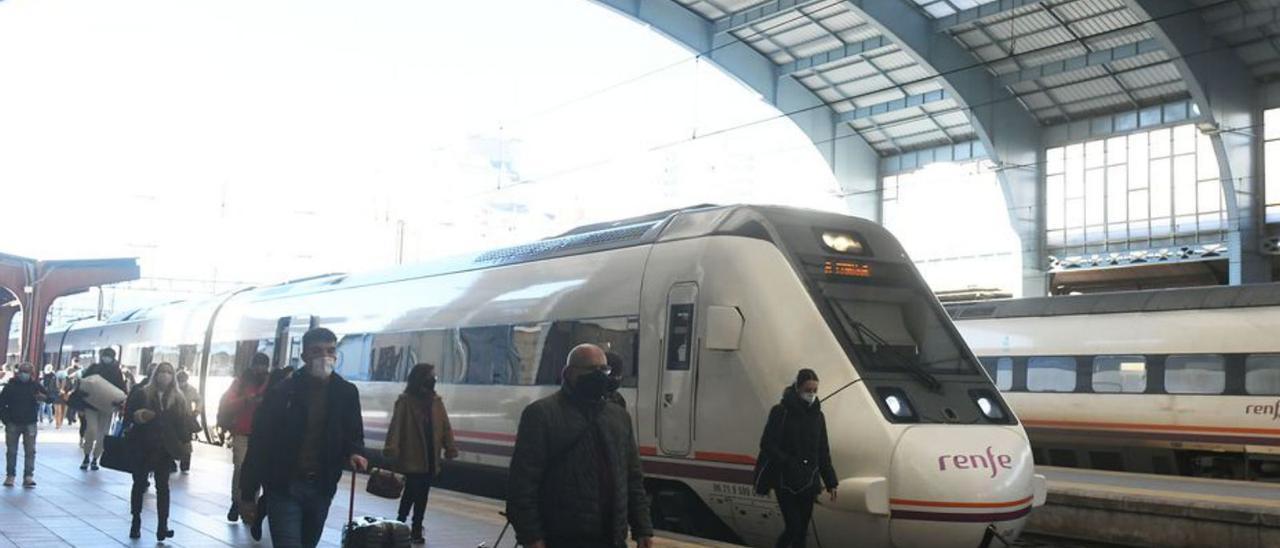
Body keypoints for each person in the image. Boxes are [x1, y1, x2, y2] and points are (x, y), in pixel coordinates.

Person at [507, 344, 653, 548]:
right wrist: (531, 537)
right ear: (568, 373)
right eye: (591, 370)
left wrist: (642, 528)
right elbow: (522, 484)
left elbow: (632, 478)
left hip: (612, 538)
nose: (600, 376)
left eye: (604, 370)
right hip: (561, 538)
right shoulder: (541, 414)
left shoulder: (618, 417)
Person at [240, 328, 368, 548]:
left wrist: (356, 452)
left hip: (322, 487)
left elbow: (354, 432)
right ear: (304, 356)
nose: (324, 357)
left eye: (330, 350)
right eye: (317, 351)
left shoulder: (346, 393)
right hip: (284, 486)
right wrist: (248, 492)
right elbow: (260, 443)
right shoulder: (282, 391)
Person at [757, 369, 838, 548]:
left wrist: (831, 481)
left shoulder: (818, 416)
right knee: (793, 527)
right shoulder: (781, 412)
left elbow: (822, 450)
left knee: (802, 531)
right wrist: (787, 462)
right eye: (808, 390)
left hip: (808, 481)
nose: (811, 394)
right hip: (785, 481)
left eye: (815, 390)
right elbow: (767, 443)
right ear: (797, 388)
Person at [384, 363, 459, 544]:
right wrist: (392, 448)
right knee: (411, 492)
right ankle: (402, 525)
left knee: (421, 495)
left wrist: (450, 446)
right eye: (431, 376)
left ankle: (413, 528)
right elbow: (396, 426)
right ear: (421, 378)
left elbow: (445, 426)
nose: (433, 379)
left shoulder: (436, 402)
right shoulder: (405, 401)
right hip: (412, 456)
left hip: (431, 458)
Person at [124, 361, 195, 541]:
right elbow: (129, 414)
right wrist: (139, 416)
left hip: (165, 448)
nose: (165, 375)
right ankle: (136, 520)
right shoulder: (143, 393)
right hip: (143, 445)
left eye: (169, 372)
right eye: (162, 372)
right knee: (139, 483)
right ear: (156, 374)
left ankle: (162, 526)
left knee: (163, 487)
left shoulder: (178, 398)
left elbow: (183, 423)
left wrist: (185, 444)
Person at [218, 353, 270, 524]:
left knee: (257, 471)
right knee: (240, 468)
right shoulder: (240, 383)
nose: (260, 369)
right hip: (242, 432)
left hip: (263, 435)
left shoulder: (271, 383)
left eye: (263, 365)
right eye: (258, 365)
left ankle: (250, 506)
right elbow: (228, 403)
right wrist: (246, 400)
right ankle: (237, 502)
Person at [0, 363, 48, 487]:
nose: (24, 374)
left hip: (30, 422)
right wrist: (6, 420)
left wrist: (44, 397)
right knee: (11, 451)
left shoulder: (35, 386)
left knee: (30, 451)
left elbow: (50, 396)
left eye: (26, 372)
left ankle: (28, 476)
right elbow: (2, 404)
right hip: (13, 423)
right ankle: (10, 475)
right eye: (22, 371)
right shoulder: (10, 386)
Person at [79, 348, 127, 471]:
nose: (107, 358)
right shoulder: (94, 368)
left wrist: (120, 405)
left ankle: (95, 458)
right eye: (105, 355)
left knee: (103, 434)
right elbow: (82, 384)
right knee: (92, 430)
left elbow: (122, 389)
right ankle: (86, 455)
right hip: (91, 405)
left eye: (109, 356)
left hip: (107, 407)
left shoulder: (117, 372)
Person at [175, 369, 201, 473]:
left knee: (186, 441)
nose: (181, 383)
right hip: (175, 418)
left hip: (186, 418)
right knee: (179, 440)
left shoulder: (191, 390)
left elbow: (199, 400)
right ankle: (175, 461)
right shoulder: (173, 388)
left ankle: (184, 464)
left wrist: (197, 411)